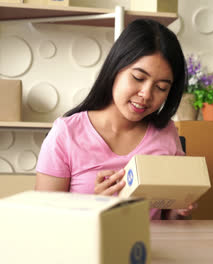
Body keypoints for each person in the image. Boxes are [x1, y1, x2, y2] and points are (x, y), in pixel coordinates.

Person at [35, 19, 195, 220]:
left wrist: (179, 210)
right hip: (86, 249)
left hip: (148, 249)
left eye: (161, 87)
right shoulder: (66, 134)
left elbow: (170, 221)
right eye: (138, 77)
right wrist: (92, 208)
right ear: (115, 68)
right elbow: (43, 221)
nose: (146, 94)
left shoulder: (167, 134)